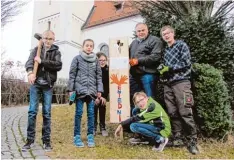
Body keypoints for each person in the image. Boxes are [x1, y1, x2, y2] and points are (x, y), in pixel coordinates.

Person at [158, 25, 199, 154]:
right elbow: (164, 65)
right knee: (172, 111)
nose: (166, 35)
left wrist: (169, 68)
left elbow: (186, 63)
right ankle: (178, 137)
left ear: (173, 33)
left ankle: (192, 141)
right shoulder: (165, 50)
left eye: (168, 33)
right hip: (168, 83)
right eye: (164, 34)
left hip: (182, 82)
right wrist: (161, 68)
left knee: (185, 111)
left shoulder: (182, 45)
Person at [22, 30, 62, 151]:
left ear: (53, 40)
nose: (47, 41)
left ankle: (46, 141)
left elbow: (58, 65)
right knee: (32, 111)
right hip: (36, 84)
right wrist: (30, 73)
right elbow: (29, 62)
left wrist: (42, 61)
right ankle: (29, 140)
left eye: (50, 39)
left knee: (46, 113)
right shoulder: (36, 49)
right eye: (45, 38)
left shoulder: (56, 51)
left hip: (48, 86)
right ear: (42, 39)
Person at [67, 39, 103, 148]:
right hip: (79, 91)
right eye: (87, 45)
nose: (89, 47)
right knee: (78, 113)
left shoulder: (96, 60)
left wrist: (99, 90)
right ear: (83, 46)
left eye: (91, 46)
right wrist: (71, 89)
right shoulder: (77, 59)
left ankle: (90, 135)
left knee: (91, 114)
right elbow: (72, 75)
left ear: (93, 48)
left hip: (92, 93)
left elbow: (99, 76)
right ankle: (77, 136)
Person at [129, 22, 163, 114]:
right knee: (134, 98)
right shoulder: (133, 43)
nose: (141, 32)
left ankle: (153, 119)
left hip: (148, 74)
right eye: (138, 31)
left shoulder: (155, 40)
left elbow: (155, 57)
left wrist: (138, 61)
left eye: (143, 30)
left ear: (147, 30)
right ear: (136, 32)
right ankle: (136, 119)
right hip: (134, 75)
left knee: (149, 97)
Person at [94, 52, 109, 136]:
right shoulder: (94, 70)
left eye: (104, 60)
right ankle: (94, 127)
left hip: (103, 94)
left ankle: (102, 127)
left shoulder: (108, 70)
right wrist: (95, 96)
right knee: (94, 108)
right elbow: (93, 84)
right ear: (97, 60)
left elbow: (107, 85)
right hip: (94, 94)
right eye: (100, 60)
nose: (102, 62)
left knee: (102, 107)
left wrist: (103, 97)